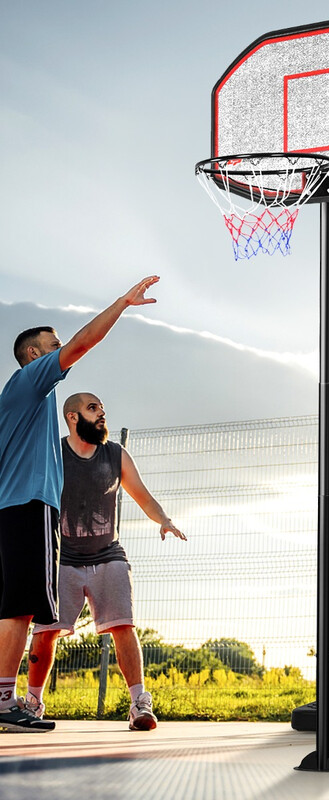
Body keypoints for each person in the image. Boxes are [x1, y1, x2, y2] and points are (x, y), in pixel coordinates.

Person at [0, 276, 159, 733]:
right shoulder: (30, 382)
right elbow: (84, 342)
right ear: (35, 355)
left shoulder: (29, 405)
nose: (60, 349)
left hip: (18, 508)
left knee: (14, 608)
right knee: (20, 611)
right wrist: (122, 304)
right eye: (52, 346)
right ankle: (7, 700)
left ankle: (7, 696)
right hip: (27, 508)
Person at [25, 393, 185, 731]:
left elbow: (141, 493)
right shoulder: (53, 454)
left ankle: (139, 704)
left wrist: (163, 519)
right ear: (72, 417)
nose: (101, 414)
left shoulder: (115, 454)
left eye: (102, 409)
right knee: (45, 633)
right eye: (92, 409)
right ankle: (33, 703)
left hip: (107, 553)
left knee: (123, 626)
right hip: (61, 557)